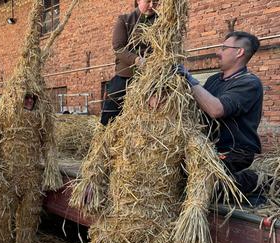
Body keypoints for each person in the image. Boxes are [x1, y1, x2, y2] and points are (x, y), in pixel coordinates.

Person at [178, 31, 262, 195]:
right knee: (176, 178)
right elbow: (197, 107)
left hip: (235, 152)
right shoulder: (214, 80)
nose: (218, 52)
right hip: (209, 149)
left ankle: (258, 181)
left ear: (239, 52)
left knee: (206, 188)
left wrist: (190, 79)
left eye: (224, 48)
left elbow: (216, 109)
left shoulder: (249, 83)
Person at [101, 0, 159, 126]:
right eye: (148, 1)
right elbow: (118, 48)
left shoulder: (161, 22)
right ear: (138, 0)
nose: (151, 6)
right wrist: (136, 60)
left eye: (155, 2)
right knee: (112, 107)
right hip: (126, 75)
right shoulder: (125, 20)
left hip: (153, 76)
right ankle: (104, 132)